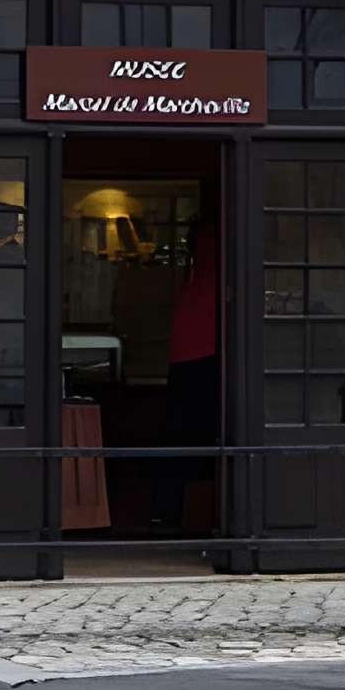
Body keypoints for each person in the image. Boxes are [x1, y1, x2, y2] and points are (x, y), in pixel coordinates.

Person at [152, 223, 219, 531]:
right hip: (205, 366)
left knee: (180, 443)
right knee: (198, 447)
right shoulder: (213, 281)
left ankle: (172, 512)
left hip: (186, 366)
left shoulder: (194, 284)